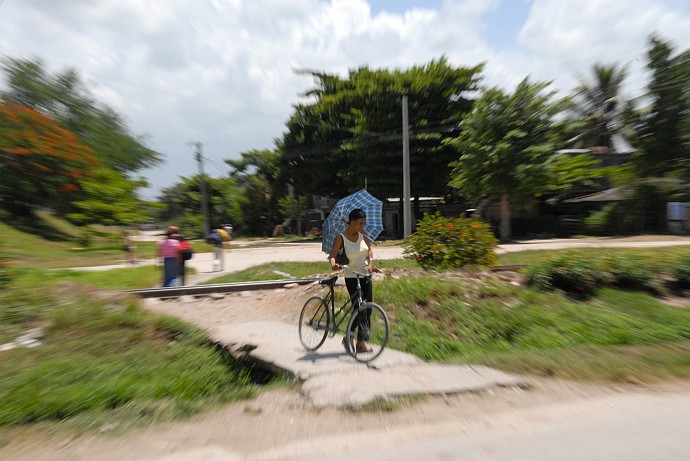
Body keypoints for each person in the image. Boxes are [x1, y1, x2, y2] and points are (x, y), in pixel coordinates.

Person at [328, 208, 380, 354]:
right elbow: (332, 254)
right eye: (360, 223)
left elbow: (369, 250)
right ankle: (351, 337)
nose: (362, 227)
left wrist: (370, 264)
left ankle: (360, 342)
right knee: (359, 307)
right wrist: (333, 264)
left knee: (367, 308)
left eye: (364, 224)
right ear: (351, 222)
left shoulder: (362, 235)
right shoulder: (340, 238)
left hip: (365, 275)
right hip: (352, 276)